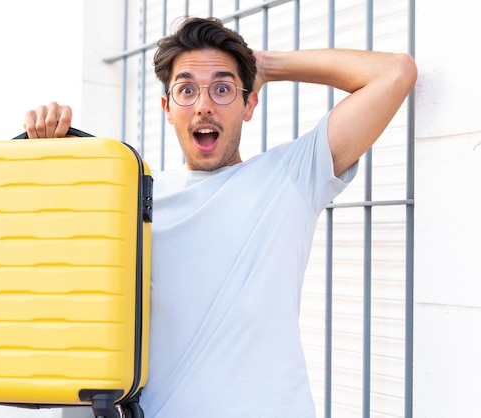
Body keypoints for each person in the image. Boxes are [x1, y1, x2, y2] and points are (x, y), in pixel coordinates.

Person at [23, 17, 417, 418]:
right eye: (186, 90)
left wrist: (267, 65)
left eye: (224, 89)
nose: (204, 105)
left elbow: (393, 73)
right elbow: (55, 281)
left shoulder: (291, 177)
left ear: (250, 105)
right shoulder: (133, 196)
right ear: (167, 108)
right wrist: (50, 158)